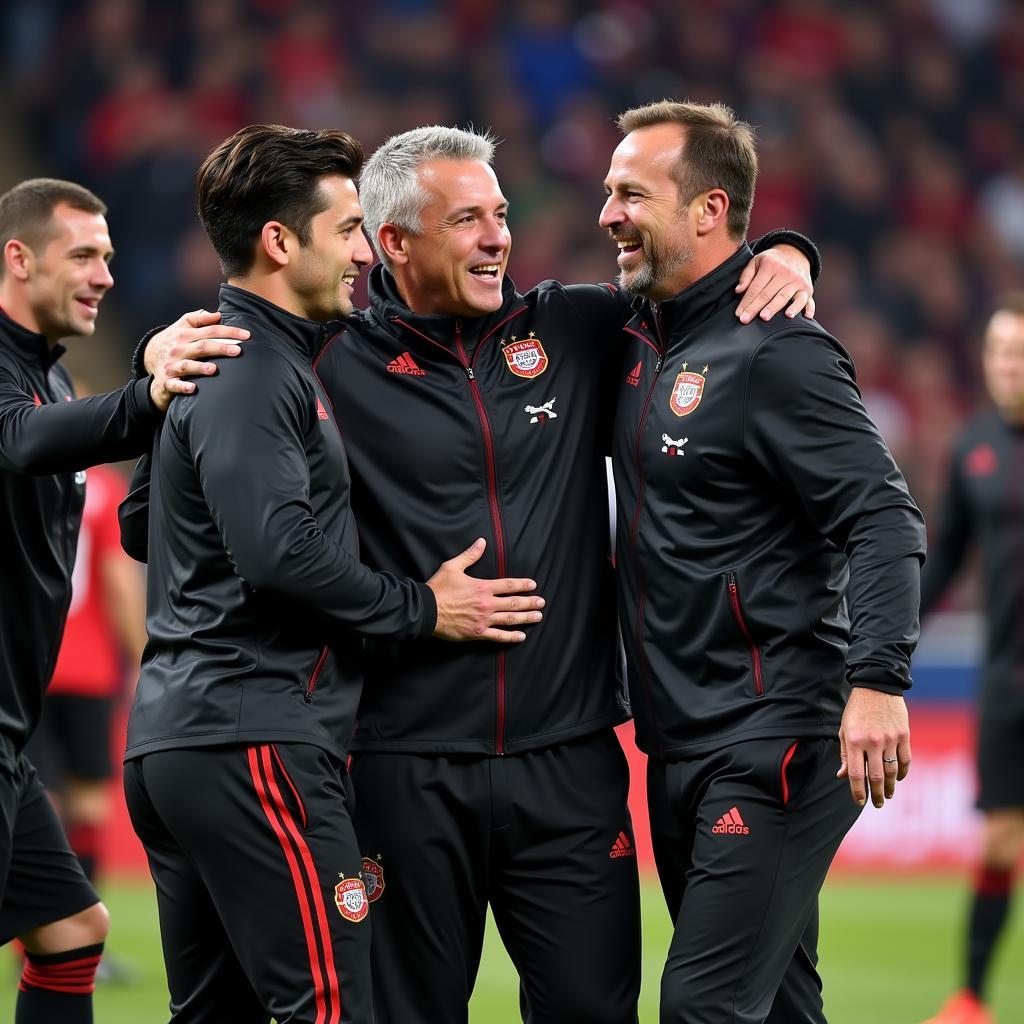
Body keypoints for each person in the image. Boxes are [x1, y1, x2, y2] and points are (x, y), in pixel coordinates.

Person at [133, 123, 815, 1022]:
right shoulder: (320, 355)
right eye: (467, 220)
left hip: (567, 761)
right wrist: (159, 368)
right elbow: (155, 513)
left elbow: (694, 277)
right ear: (393, 244)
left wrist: (788, 253)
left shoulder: (576, 326)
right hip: (398, 763)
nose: (499, 235)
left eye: (499, 214)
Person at [120, 123, 546, 1024]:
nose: (363, 253)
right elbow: (279, 557)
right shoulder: (251, 367)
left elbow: (141, 523)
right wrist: (423, 607)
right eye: (347, 229)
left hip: (189, 737)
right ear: (280, 241)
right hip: (256, 737)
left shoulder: (235, 358)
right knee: (332, 1006)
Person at [603, 100, 926, 1023]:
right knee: (777, 1006)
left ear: (706, 209)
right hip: (678, 740)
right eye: (607, 191)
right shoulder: (630, 338)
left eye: (631, 192)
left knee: (703, 1006)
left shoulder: (779, 351)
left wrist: (877, 681)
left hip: (776, 733)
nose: (607, 212)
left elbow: (885, 518)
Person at [0, 177, 245, 1023]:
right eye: (82, 255)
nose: (104, 273)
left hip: (11, 724)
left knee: (71, 931)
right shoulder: (15, 383)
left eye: (108, 255)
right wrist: (148, 391)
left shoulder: (56, 379)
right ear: (18, 257)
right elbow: (21, 443)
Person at [917, 295, 1024, 1024]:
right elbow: (945, 558)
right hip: (1009, 677)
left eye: (1017, 354)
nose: (1006, 367)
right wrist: (884, 635)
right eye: (997, 353)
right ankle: (971, 1000)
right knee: (998, 840)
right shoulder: (974, 446)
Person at [24, 448, 145, 983]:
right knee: (90, 802)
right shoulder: (99, 488)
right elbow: (118, 580)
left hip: (28, 662)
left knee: (34, 801)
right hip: (90, 668)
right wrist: (144, 656)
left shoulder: (20, 471)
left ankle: (37, 942)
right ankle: (81, 951)